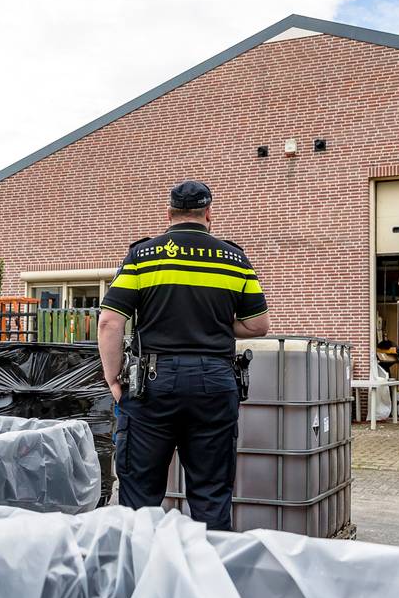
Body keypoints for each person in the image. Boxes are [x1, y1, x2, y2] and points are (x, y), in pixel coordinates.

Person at [97, 180, 270, 530]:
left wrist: (113, 378)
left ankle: (138, 576)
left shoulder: (142, 256)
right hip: (215, 383)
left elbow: (110, 321)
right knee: (211, 494)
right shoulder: (234, 259)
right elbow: (258, 326)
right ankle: (207, 578)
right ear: (208, 213)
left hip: (151, 384)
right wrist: (218, 322)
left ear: (169, 213)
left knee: (139, 498)